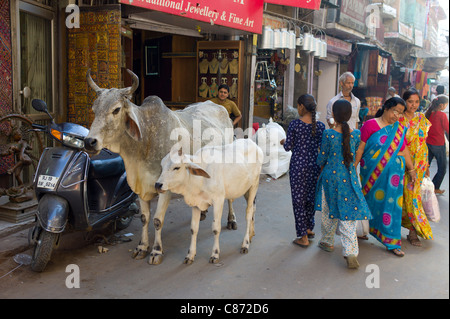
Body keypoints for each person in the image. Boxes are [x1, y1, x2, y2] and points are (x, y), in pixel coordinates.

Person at [355, 97, 416, 257]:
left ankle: (392, 241)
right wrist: (352, 166)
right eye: (395, 111)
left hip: (392, 182)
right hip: (369, 175)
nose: (397, 116)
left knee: (391, 207)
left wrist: (411, 170)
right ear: (386, 108)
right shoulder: (370, 125)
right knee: (367, 202)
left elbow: (404, 151)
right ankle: (362, 230)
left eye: (400, 113)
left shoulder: (398, 130)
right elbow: (361, 147)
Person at [315, 99, 372, 269]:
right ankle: (351, 252)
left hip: (330, 179)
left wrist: (321, 165)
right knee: (349, 215)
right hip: (349, 178)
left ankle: (327, 241)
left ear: (333, 114)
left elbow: (322, 158)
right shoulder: (356, 134)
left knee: (328, 211)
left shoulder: (329, 134)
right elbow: (354, 157)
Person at [281, 94, 325, 248]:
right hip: (314, 166)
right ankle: (308, 227)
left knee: (298, 200)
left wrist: (283, 142)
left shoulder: (294, 125)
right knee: (310, 199)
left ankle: (303, 237)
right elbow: (323, 149)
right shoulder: (320, 126)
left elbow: (287, 147)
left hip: (298, 167)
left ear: (301, 106)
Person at [399, 88, 433, 246]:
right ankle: (392, 231)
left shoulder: (422, 118)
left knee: (414, 197)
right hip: (402, 165)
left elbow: (424, 142)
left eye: (417, 102)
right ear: (404, 102)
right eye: (410, 101)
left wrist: (426, 166)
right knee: (400, 198)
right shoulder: (399, 119)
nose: (413, 105)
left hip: (419, 165)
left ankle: (413, 232)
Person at [425, 95, 449, 194]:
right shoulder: (442, 115)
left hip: (428, 143)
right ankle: (435, 187)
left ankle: (419, 184)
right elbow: (448, 129)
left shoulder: (428, 113)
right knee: (442, 168)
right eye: (446, 105)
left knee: (426, 166)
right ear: (442, 105)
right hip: (438, 144)